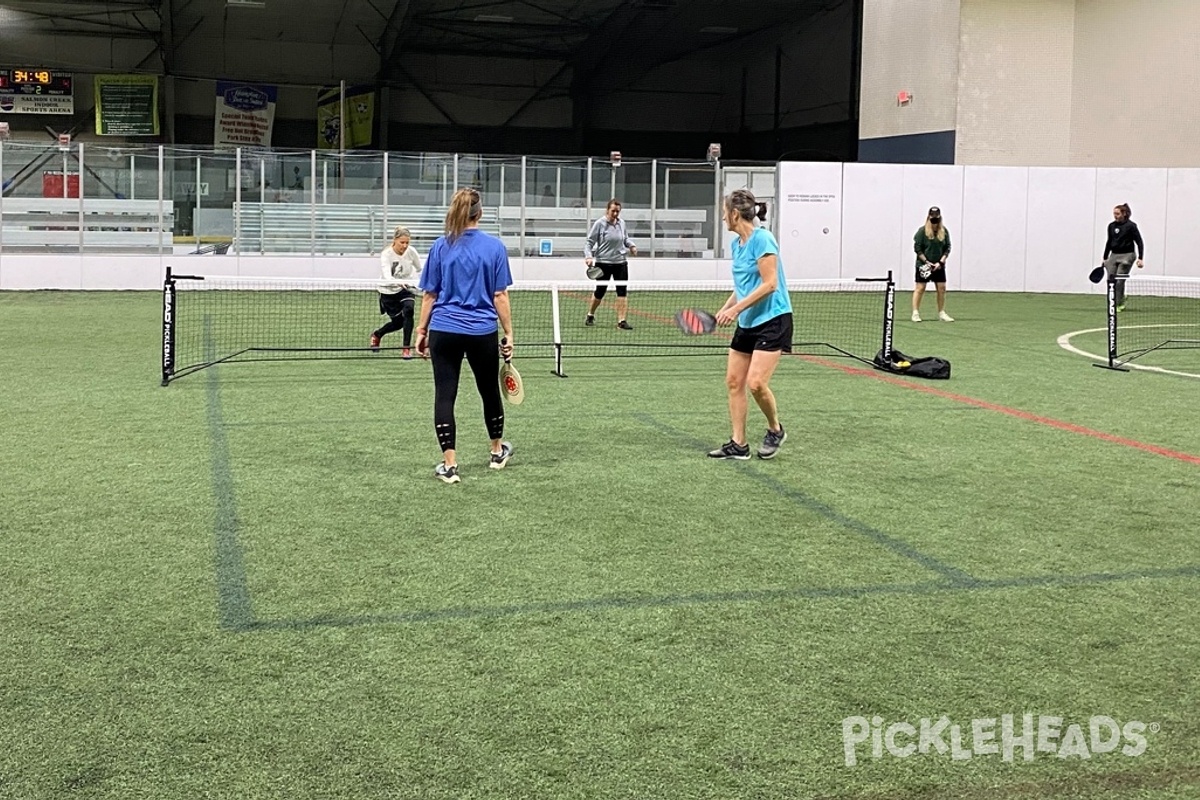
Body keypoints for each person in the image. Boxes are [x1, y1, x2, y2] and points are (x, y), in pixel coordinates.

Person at [415, 188, 515, 485]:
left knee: (445, 394)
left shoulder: (440, 246)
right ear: (480, 213)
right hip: (482, 332)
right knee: (488, 390)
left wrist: (421, 331)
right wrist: (509, 333)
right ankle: (497, 451)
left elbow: (429, 295)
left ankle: (450, 464)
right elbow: (500, 295)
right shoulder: (495, 247)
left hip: (443, 331)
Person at [708, 189, 792, 461]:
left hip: (773, 319)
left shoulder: (763, 239)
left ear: (734, 213)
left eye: (724, 212)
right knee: (734, 382)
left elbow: (770, 284)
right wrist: (725, 309)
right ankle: (738, 444)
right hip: (748, 321)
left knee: (756, 383)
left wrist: (736, 310)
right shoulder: (737, 245)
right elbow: (743, 285)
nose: (723, 218)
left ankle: (775, 429)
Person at [583, 198, 638, 329]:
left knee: (622, 291)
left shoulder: (622, 223)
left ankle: (622, 321)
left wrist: (631, 246)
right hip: (603, 263)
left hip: (620, 263)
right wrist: (588, 256)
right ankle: (591, 314)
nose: (615, 214)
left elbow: (625, 238)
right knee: (600, 291)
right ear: (607, 210)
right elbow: (589, 242)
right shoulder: (599, 224)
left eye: (617, 211)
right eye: (613, 211)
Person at [371, 226, 422, 359]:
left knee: (409, 310)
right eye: (402, 242)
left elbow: (419, 268)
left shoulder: (411, 252)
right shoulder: (386, 254)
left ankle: (406, 349)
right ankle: (377, 334)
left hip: (406, 289)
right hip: (388, 291)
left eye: (407, 242)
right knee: (398, 323)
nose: (405, 246)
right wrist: (397, 282)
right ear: (395, 240)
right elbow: (387, 275)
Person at [911, 206, 953, 322]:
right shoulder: (922, 231)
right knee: (920, 288)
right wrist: (927, 262)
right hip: (924, 265)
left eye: (937, 218)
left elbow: (947, 247)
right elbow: (917, 249)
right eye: (932, 218)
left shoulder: (944, 231)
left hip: (939, 265)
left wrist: (941, 261)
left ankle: (941, 312)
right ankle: (915, 313)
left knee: (941, 288)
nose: (935, 221)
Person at [1101, 203, 1145, 312]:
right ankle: (1115, 300)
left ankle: (1119, 303)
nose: (1115, 216)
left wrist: (1140, 258)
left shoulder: (1131, 226)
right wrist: (1105, 257)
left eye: (1117, 214)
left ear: (1124, 214)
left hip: (1128, 255)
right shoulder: (1111, 226)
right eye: (1114, 214)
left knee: (1120, 280)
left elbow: (1139, 242)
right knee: (1111, 280)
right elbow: (1109, 242)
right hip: (1114, 255)